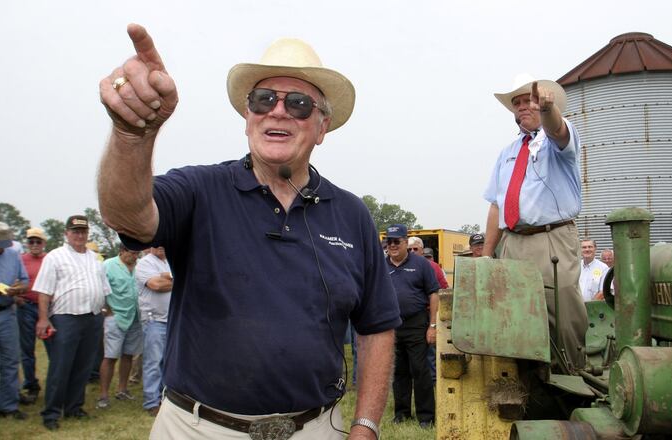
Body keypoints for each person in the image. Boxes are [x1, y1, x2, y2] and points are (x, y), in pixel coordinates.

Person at [97, 24, 400, 440]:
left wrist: (365, 425)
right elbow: (129, 217)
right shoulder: (198, 189)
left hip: (314, 428)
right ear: (247, 116)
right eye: (263, 99)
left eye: (298, 103)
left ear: (322, 126)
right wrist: (132, 135)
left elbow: (377, 325)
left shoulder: (352, 215)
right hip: (197, 428)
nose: (278, 111)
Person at [482, 74, 588, 371]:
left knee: (562, 313)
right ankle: (526, 385)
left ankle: (573, 377)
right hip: (512, 240)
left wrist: (548, 110)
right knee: (514, 316)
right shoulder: (507, 153)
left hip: (551, 237)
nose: (522, 107)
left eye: (528, 100)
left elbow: (557, 128)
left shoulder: (557, 141)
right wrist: (489, 253)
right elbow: (496, 205)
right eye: (517, 103)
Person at [33, 215, 110, 431]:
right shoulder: (55, 257)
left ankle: (74, 407)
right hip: (66, 318)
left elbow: (104, 289)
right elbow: (44, 291)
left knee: (83, 367)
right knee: (61, 367)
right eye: (75, 231)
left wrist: (105, 311)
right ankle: (51, 413)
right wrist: (43, 318)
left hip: (93, 317)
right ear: (66, 233)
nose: (80, 235)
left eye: (83, 231)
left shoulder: (95, 258)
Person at [385, 224, 438, 429]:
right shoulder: (383, 265)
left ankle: (426, 417)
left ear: (406, 242)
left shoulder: (421, 264)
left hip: (416, 323)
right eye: (389, 242)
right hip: (392, 325)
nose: (392, 245)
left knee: (420, 370)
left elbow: (433, 293)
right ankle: (402, 413)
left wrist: (432, 325)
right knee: (399, 371)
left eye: (396, 241)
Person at [0, 222, 29, 420]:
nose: (0, 249)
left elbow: (25, 281)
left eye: (3, 245)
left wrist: (17, 289)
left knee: (10, 361)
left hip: (7, 313)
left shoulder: (13, 255)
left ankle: (8, 406)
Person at [97, 244, 142, 410]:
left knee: (128, 355)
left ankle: (122, 389)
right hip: (116, 316)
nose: (135, 256)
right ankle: (103, 395)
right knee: (110, 356)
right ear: (122, 251)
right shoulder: (108, 265)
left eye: (137, 253)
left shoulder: (139, 267)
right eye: (132, 252)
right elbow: (100, 286)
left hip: (135, 317)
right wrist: (104, 308)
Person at [134, 246, 172, 416]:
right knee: (154, 362)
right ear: (150, 245)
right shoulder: (144, 263)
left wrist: (168, 278)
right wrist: (175, 278)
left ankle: (166, 399)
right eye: (156, 243)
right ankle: (151, 402)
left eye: (164, 243)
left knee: (169, 362)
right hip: (154, 320)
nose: (160, 246)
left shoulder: (170, 261)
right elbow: (156, 285)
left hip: (172, 319)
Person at [18, 227, 49, 404]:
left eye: (38, 241)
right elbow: (11, 282)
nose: (35, 245)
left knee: (53, 349)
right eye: (31, 241)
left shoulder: (50, 259)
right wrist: (17, 298)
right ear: (27, 243)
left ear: (43, 243)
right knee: (27, 350)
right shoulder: (21, 260)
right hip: (26, 307)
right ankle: (31, 385)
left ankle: (56, 383)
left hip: (47, 308)